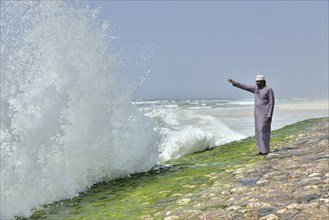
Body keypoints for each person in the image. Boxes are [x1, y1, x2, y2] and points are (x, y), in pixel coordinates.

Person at [228, 75, 275, 155]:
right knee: (258, 132)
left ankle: (266, 150)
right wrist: (234, 83)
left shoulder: (268, 89)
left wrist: (269, 114)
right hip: (257, 113)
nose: (257, 83)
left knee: (263, 130)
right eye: (256, 81)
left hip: (265, 114)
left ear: (263, 81)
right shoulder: (256, 89)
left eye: (259, 81)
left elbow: (272, 102)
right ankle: (261, 150)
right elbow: (244, 86)